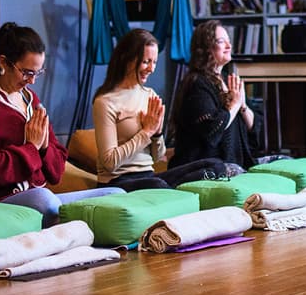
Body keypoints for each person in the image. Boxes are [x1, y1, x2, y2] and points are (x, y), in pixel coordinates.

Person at [0, 23, 121, 226]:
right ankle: (70, 230)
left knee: (115, 194)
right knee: (43, 199)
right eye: (26, 73)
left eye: (37, 73)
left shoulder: (31, 99)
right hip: (1, 201)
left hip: (40, 197)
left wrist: (44, 146)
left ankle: (69, 228)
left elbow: (56, 173)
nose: (32, 81)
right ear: (4, 63)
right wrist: (31, 148)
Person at [92, 28, 231, 191]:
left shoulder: (150, 95)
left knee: (215, 166)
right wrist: (146, 133)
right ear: (127, 59)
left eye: (154, 62)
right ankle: (171, 192)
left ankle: (171, 192)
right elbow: (109, 163)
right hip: (118, 181)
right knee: (158, 185)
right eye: (145, 61)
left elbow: (158, 157)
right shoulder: (105, 102)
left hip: (148, 176)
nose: (151, 69)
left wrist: (157, 134)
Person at [168, 20, 260, 170]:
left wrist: (243, 107)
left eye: (229, 42)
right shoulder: (196, 83)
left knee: (284, 159)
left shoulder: (226, 79)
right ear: (206, 48)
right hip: (206, 167)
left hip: (237, 162)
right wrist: (234, 105)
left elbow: (254, 131)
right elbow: (211, 131)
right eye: (221, 42)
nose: (229, 47)